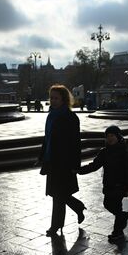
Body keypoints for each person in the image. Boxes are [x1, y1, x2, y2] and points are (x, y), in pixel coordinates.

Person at [38, 84, 85, 237]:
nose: (52, 101)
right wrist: (41, 156)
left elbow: (76, 143)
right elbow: (47, 138)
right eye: (51, 97)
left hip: (64, 163)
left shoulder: (70, 117)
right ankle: (78, 207)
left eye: (56, 98)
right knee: (57, 194)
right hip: (52, 161)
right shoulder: (51, 115)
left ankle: (55, 226)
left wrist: (75, 165)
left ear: (64, 99)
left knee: (58, 195)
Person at [77, 125, 128, 243]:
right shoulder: (104, 152)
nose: (110, 138)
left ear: (118, 137)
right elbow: (94, 166)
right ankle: (121, 222)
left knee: (115, 205)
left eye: (112, 136)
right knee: (109, 205)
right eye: (108, 136)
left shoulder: (124, 151)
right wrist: (79, 170)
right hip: (109, 184)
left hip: (120, 185)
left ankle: (117, 232)